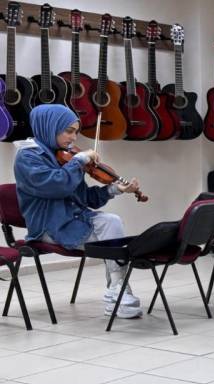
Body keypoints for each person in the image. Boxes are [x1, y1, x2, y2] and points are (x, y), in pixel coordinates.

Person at [13, 104, 143, 318]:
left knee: (111, 221)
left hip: (73, 218)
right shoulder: (28, 157)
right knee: (110, 237)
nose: (74, 138)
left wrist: (115, 189)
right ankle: (118, 292)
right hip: (48, 225)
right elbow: (57, 185)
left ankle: (117, 289)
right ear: (49, 127)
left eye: (76, 131)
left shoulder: (63, 155)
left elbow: (83, 197)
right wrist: (79, 161)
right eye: (69, 131)